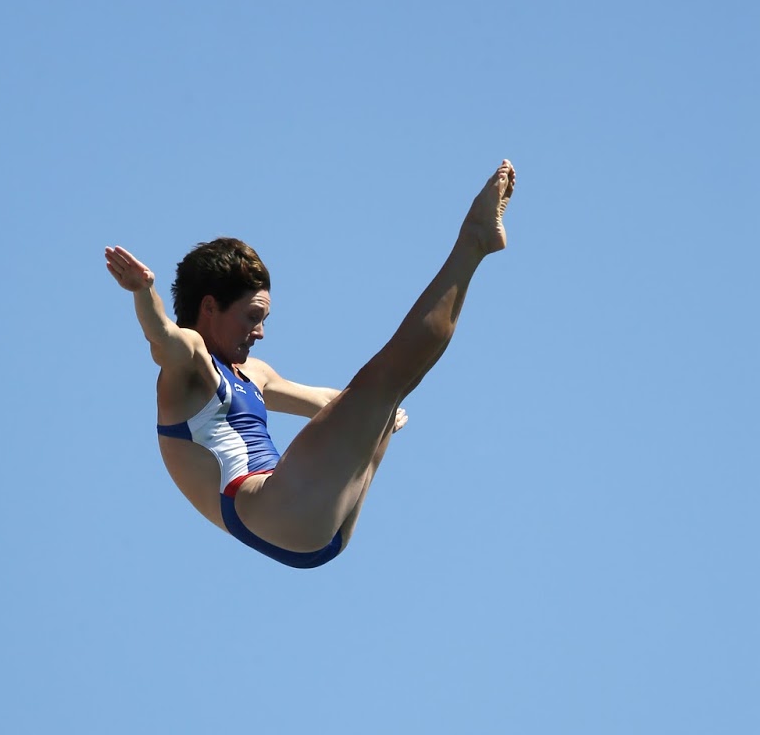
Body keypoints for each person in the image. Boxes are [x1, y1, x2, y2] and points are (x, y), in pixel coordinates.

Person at [105, 159, 515, 568]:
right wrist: (143, 292)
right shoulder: (191, 364)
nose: (260, 332)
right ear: (209, 307)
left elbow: (323, 401)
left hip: (322, 530)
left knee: (387, 392)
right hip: (273, 510)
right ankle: (475, 240)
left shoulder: (255, 374)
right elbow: (162, 336)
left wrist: (372, 415)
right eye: (252, 317)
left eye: (264, 320)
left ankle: (475, 244)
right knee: (389, 374)